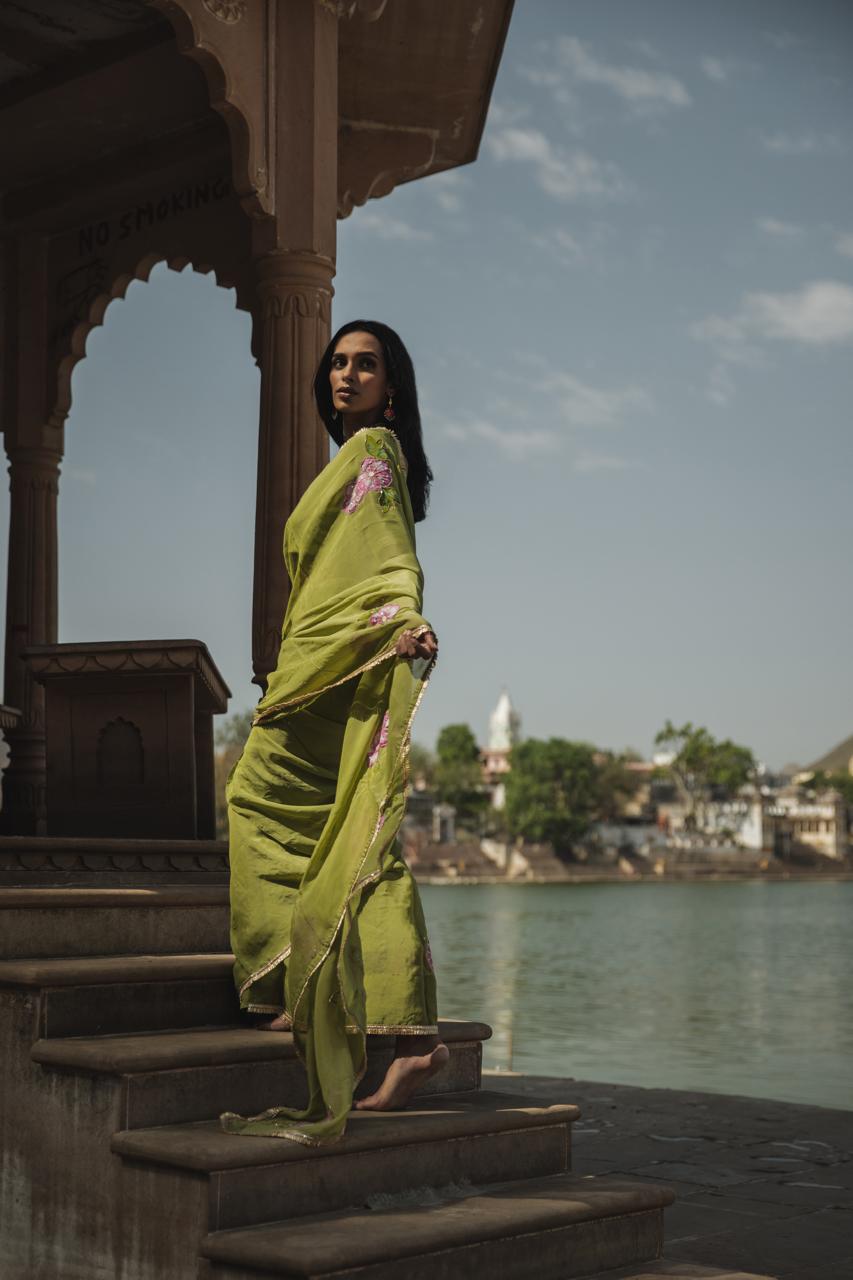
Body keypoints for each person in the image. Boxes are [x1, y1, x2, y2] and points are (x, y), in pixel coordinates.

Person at [221, 320, 448, 1145]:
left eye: (365, 365)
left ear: (392, 387)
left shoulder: (375, 454)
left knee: (311, 816)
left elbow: (390, 561)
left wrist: (403, 624)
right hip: (311, 665)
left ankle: (386, 1022)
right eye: (337, 365)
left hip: (347, 662)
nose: (346, 376)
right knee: (328, 826)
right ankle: (319, 988)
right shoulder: (351, 460)